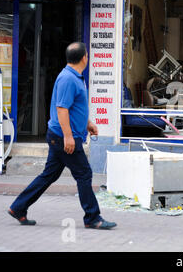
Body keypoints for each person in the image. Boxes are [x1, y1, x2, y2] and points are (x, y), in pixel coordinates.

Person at [7, 42, 116, 230]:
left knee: (49, 175)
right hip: (63, 137)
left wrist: (87, 123)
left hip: (61, 135)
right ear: (83, 58)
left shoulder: (75, 76)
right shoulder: (68, 79)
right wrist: (68, 137)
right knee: (84, 173)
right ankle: (92, 217)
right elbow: (62, 109)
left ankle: (18, 207)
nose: (88, 58)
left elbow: (74, 107)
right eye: (87, 55)